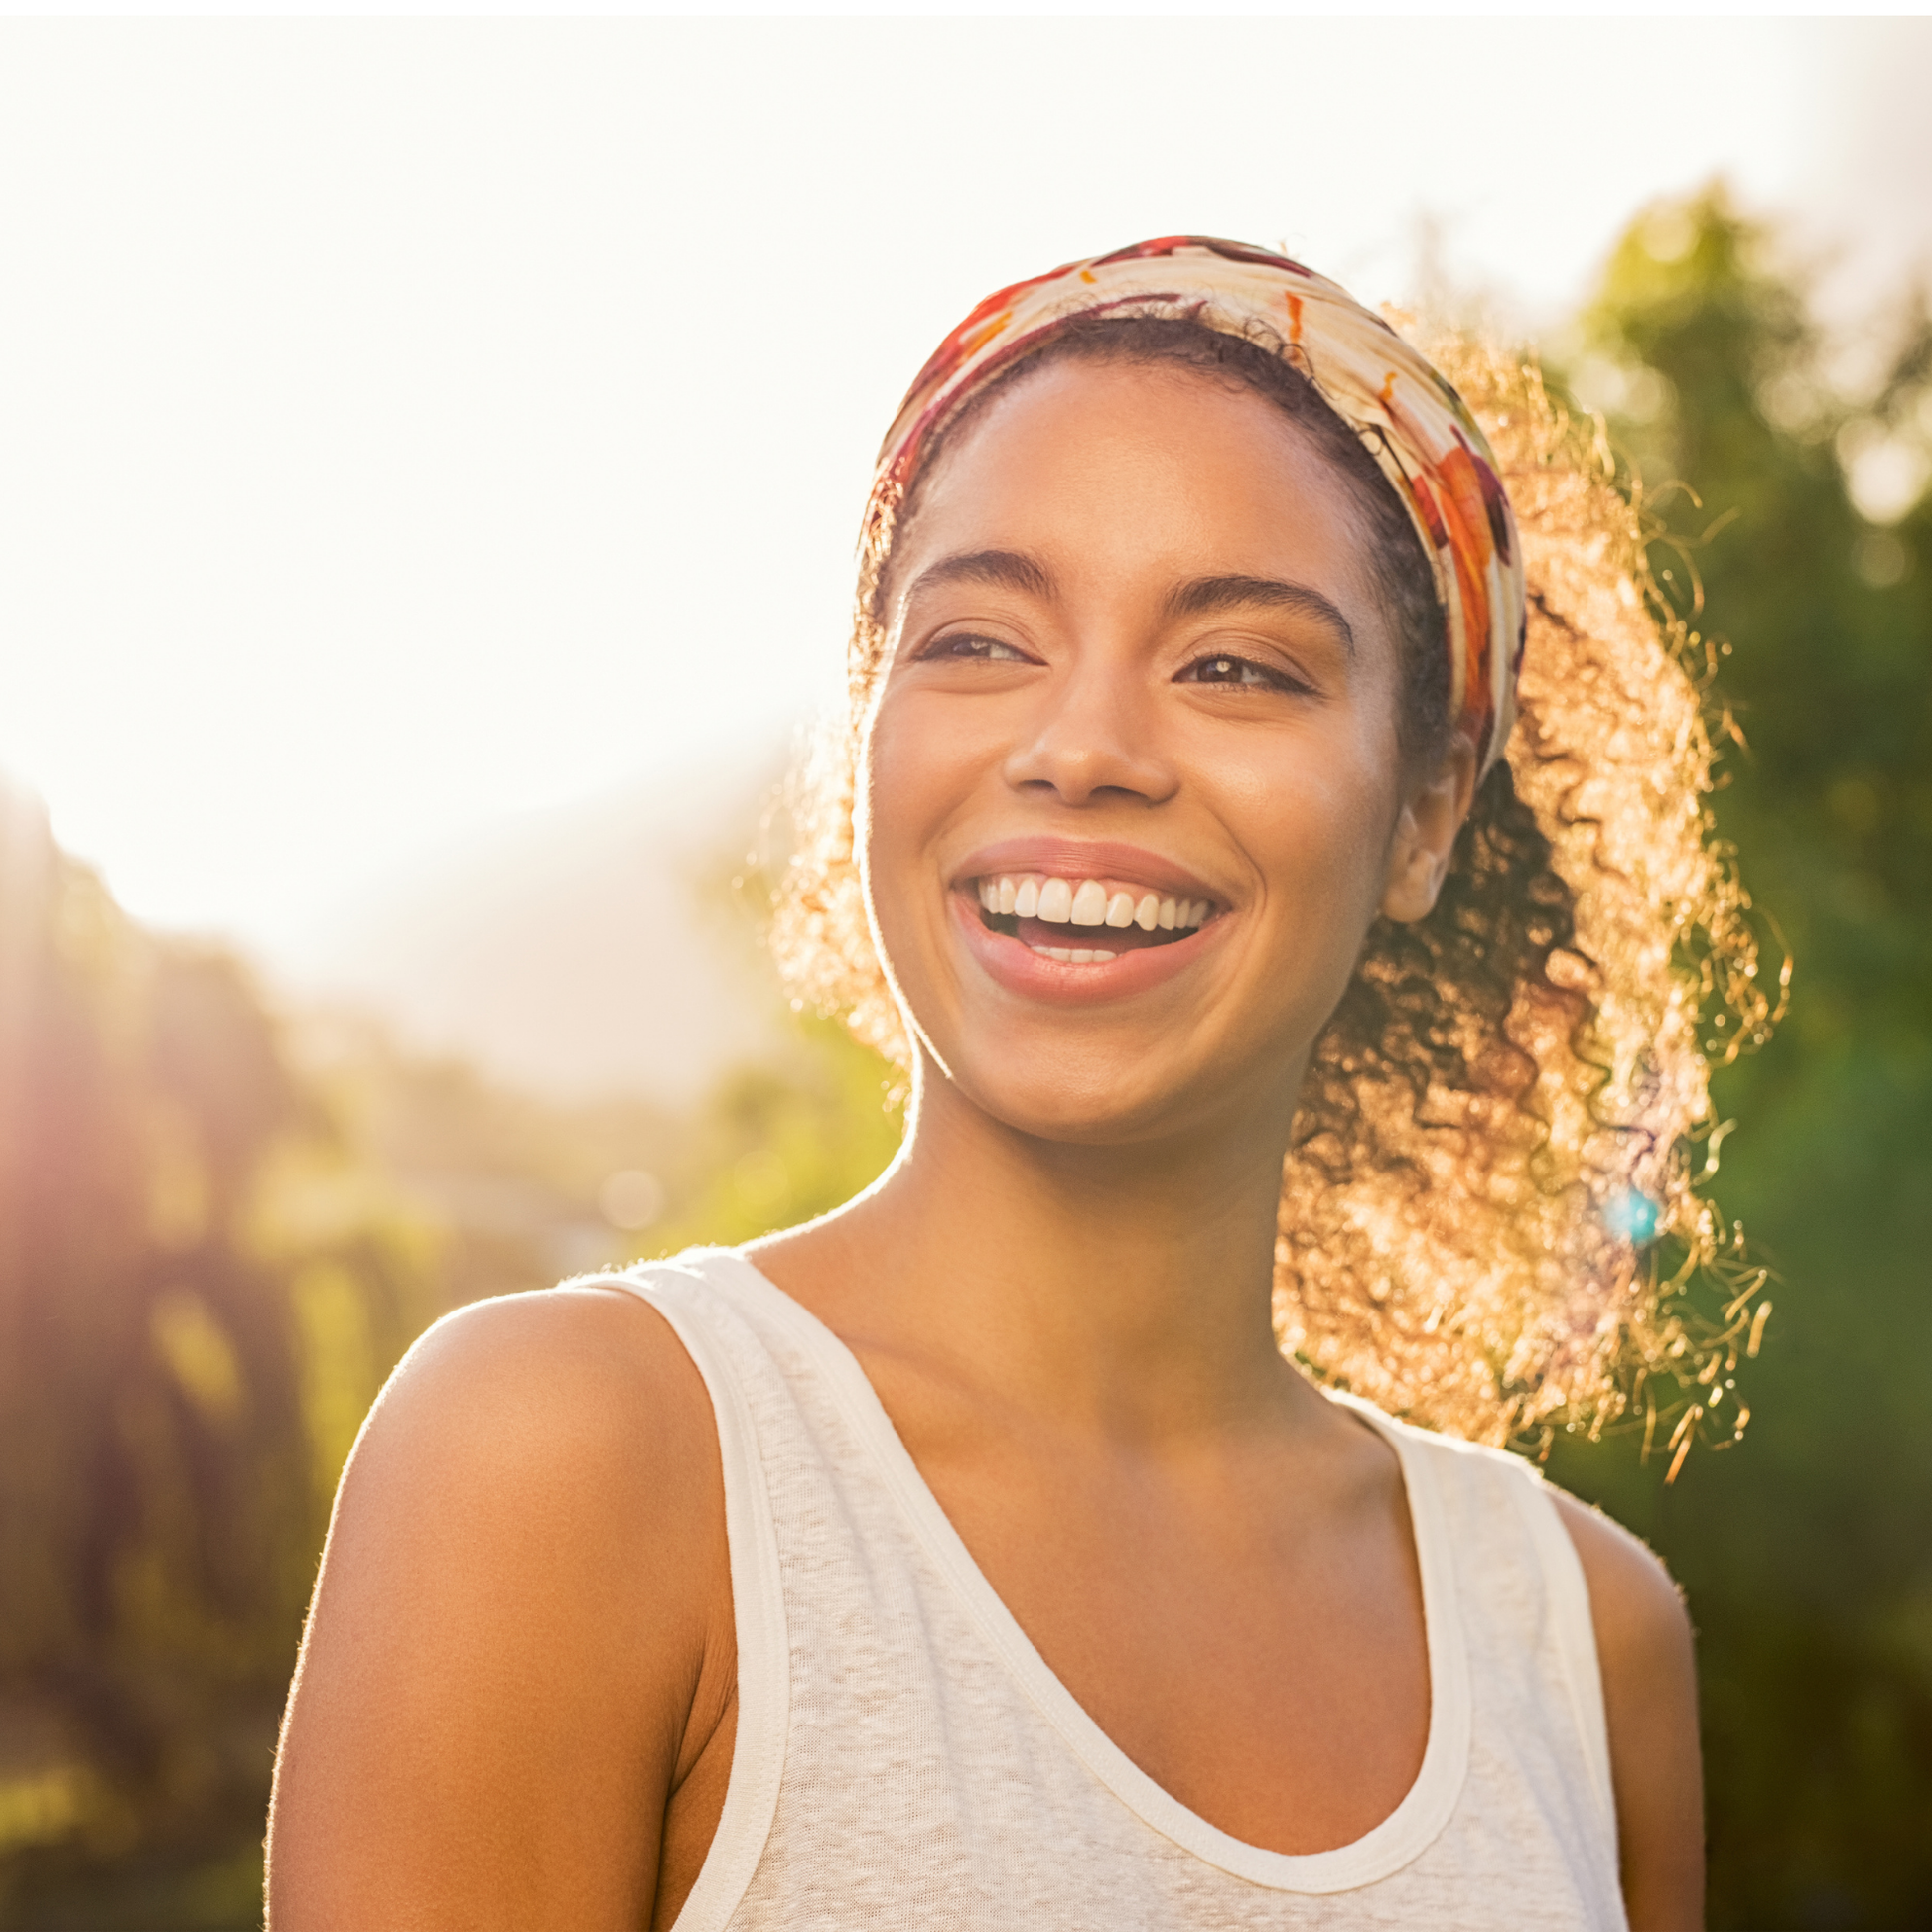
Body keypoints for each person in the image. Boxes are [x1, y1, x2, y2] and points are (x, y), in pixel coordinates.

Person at [268, 237, 1773, 1930]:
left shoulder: (1581, 1638)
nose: (1081, 747)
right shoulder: (570, 1458)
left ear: (1423, 811)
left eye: (1236, 666)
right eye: (978, 641)